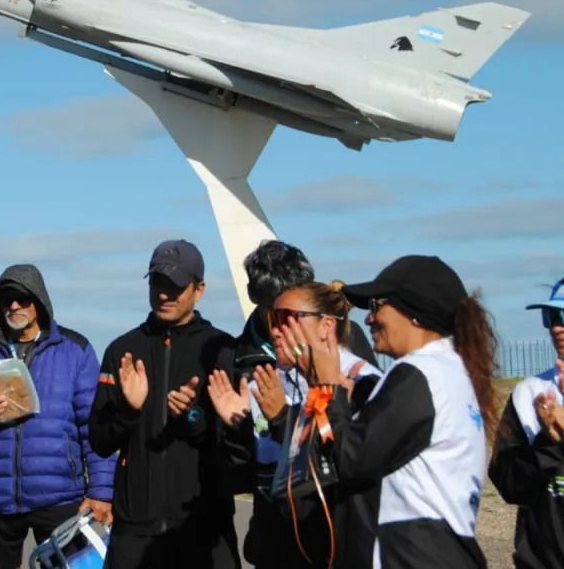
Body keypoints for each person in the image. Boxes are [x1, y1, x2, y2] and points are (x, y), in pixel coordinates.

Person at [281, 255, 499, 568]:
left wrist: (328, 388)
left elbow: (351, 459)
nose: (367, 319)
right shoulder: (450, 371)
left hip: (411, 553)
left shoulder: (420, 372)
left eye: (376, 306)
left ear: (415, 314)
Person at [89, 239, 250, 569]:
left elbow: (240, 455)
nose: (164, 294)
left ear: (199, 289)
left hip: (204, 530)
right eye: (158, 283)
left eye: (176, 286)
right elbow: (99, 440)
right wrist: (129, 411)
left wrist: (195, 417)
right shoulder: (122, 350)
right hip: (134, 532)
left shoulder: (224, 350)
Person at [213, 281, 382, 569]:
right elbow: (247, 477)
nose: (275, 330)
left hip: (333, 550)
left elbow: (350, 465)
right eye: (271, 319)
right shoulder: (266, 382)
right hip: (275, 551)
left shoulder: (364, 382)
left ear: (325, 325)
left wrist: (282, 418)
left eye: (285, 319)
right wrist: (237, 427)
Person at [0, 264, 114, 569]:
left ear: (39, 301)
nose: (14, 305)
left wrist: (100, 491)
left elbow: (95, 427)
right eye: (6, 299)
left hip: (60, 497)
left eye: (22, 297)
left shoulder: (76, 350)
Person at [489, 276, 564, 569]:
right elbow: (508, 483)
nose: (558, 326)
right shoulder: (529, 394)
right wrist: (550, 442)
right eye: (552, 317)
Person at [236, 240, 379, 376]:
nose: (279, 327)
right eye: (273, 313)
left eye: (291, 313)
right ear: (252, 294)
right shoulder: (231, 360)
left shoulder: (348, 335)